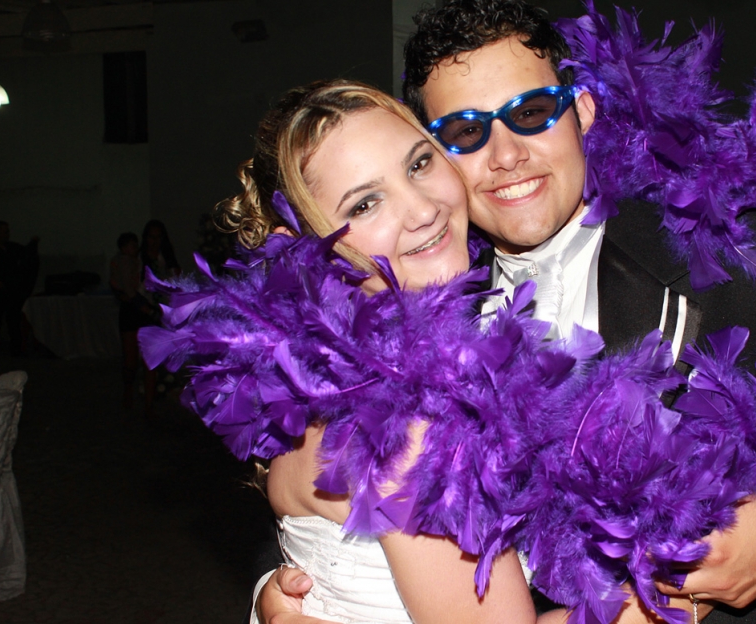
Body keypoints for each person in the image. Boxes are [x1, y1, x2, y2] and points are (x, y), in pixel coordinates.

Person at [259, 0, 756, 624]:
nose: (505, 155)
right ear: (437, 154)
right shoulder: (421, 305)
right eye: (467, 132)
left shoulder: (741, 254)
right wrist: (295, 590)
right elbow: (361, 509)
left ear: (583, 112)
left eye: (531, 113)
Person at [183, 80, 669, 624]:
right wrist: (677, 601)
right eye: (365, 203)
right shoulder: (404, 423)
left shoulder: (321, 383)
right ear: (302, 248)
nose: (422, 209)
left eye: (418, 164)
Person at [109, 232, 158, 410]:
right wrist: (140, 304)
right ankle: (130, 393)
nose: (134, 248)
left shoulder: (138, 261)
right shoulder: (124, 262)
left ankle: (146, 402)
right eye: (131, 245)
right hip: (133, 309)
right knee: (131, 359)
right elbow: (126, 287)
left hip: (140, 307)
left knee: (147, 360)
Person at [0, 220, 39, 357]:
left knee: (13, 321)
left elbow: (27, 253)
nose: (7, 234)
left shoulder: (12, 248)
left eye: (8, 231)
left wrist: (33, 243)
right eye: (5, 231)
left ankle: (16, 350)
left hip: (11, 291)